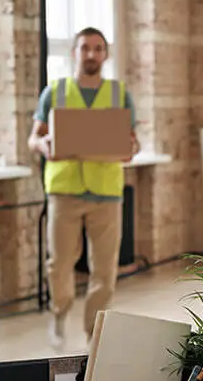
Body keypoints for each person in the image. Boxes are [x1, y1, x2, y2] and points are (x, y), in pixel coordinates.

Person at [27, 27, 139, 348]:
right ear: (74, 52)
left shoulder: (120, 95)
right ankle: (59, 314)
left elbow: (132, 143)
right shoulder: (55, 92)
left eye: (98, 48)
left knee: (104, 268)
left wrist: (131, 148)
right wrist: (44, 144)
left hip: (106, 193)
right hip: (64, 190)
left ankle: (94, 332)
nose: (91, 54)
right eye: (85, 48)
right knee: (59, 262)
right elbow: (33, 139)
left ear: (105, 54)